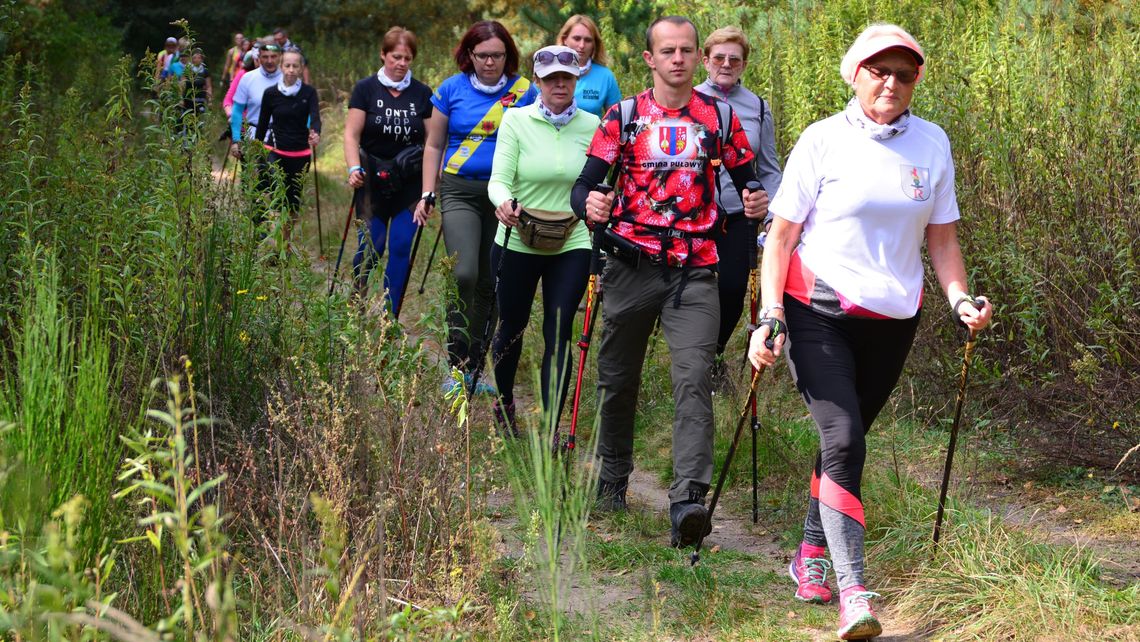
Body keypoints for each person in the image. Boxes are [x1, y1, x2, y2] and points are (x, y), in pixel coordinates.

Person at [746, 24, 993, 641]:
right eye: (878, 70)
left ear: (916, 82)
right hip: (815, 307)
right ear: (854, 73)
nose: (890, 82)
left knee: (842, 448)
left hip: (894, 317)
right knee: (845, 437)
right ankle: (853, 591)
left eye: (904, 73)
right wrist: (769, 314)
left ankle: (808, 552)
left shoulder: (932, 144)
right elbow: (780, 237)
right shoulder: (822, 140)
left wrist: (960, 299)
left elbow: (942, 237)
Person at [570, 16, 765, 547]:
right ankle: (612, 478)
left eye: (685, 50)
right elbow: (586, 185)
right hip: (631, 264)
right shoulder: (623, 116)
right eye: (667, 51)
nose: (677, 59)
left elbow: (750, 181)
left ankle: (688, 503)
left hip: (695, 267)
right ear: (650, 59)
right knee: (617, 377)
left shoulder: (719, 117)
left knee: (693, 378)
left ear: (696, 57)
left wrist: (755, 201)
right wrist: (590, 202)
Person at [414, 20, 536, 395]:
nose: (490, 62)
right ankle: (455, 362)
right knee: (463, 273)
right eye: (482, 55)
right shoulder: (450, 89)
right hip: (459, 191)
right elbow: (434, 146)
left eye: (497, 55)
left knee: (490, 281)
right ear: (469, 55)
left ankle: (475, 368)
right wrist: (427, 193)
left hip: (505, 195)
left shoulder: (525, 92)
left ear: (508, 55)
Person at [487, 45, 599, 435]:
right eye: (550, 78)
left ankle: (551, 427)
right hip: (518, 235)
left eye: (566, 78)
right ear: (537, 82)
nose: (559, 84)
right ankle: (504, 404)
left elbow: (601, 184)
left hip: (573, 237)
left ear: (576, 80)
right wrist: (503, 203)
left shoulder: (594, 124)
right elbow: (499, 178)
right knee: (512, 325)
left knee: (559, 326)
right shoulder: (516, 121)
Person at [693, 27, 782, 375]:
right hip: (691, 216)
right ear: (705, 60)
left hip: (738, 215)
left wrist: (772, 211)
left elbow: (770, 169)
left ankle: (713, 359)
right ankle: (694, 360)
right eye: (719, 58)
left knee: (731, 290)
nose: (726, 64)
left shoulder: (758, 107)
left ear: (744, 64)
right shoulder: (688, 99)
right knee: (694, 292)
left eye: (734, 59)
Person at [344, 27, 434, 317]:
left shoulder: (422, 93)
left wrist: (430, 190)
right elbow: (351, 135)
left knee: (400, 245)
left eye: (408, 58)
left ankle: (389, 317)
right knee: (371, 247)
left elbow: (433, 142)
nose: (402, 63)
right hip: (371, 179)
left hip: (409, 182)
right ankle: (356, 301)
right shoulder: (365, 89)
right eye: (396, 56)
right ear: (383, 54)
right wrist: (353, 167)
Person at [253, 49, 321, 239]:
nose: (291, 70)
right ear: (281, 67)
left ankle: (284, 242)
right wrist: (256, 153)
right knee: (277, 195)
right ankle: (274, 244)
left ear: (301, 69)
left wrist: (316, 133)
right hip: (274, 149)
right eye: (287, 65)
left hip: (300, 154)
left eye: (295, 66)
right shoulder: (271, 93)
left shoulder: (309, 92)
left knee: (292, 201)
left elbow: (315, 118)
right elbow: (263, 123)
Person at [556, 15, 622, 118]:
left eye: (588, 40)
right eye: (576, 38)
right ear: (565, 39)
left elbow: (616, 120)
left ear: (594, 44)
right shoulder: (549, 72)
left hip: (593, 134)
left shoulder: (605, 76)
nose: (582, 45)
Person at [230, 44, 282, 153]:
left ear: (280, 57)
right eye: (265, 57)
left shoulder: (288, 78)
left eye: (273, 56)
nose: (269, 61)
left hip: (282, 138)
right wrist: (236, 139)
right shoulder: (248, 78)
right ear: (259, 57)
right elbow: (237, 110)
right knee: (256, 169)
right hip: (253, 137)